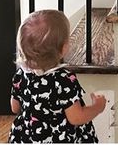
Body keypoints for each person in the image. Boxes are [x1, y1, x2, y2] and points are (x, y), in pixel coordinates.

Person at [8, 9, 106, 143]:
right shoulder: (63, 80)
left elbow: (15, 107)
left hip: (29, 139)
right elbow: (76, 117)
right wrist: (97, 108)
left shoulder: (21, 75)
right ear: (63, 48)